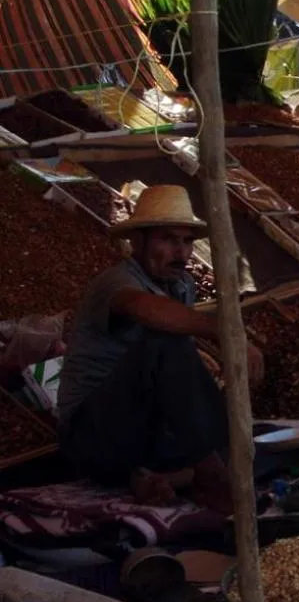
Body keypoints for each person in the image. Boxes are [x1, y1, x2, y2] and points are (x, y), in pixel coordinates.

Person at [55, 186, 265, 511]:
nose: (180, 252)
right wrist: (229, 333)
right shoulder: (115, 281)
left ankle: (157, 477)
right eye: (167, 239)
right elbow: (145, 310)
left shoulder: (181, 285)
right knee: (164, 341)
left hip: (141, 436)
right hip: (91, 437)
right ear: (138, 242)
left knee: (228, 428)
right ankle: (210, 478)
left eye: (186, 242)